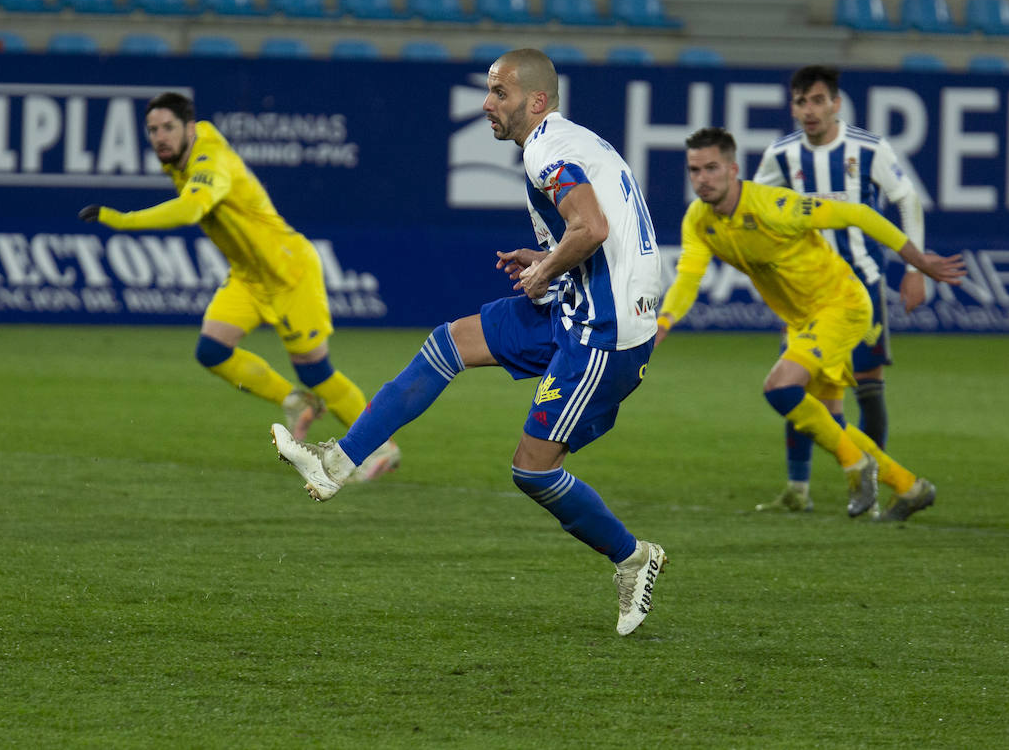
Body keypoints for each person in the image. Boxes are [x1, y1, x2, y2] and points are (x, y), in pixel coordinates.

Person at [270, 49, 668, 636]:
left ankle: (634, 557)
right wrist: (550, 262)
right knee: (448, 343)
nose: (486, 104)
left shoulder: (548, 151)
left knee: (533, 472)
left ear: (535, 101)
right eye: (487, 92)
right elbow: (598, 232)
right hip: (579, 306)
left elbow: (592, 228)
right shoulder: (572, 140)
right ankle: (339, 461)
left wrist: (546, 269)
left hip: (605, 336)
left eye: (500, 93)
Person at [79, 91, 399, 482]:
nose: (159, 136)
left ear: (189, 128)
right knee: (212, 350)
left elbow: (192, 208)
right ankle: (295, 401)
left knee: (317, 371)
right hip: (248, 277)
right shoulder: (178, 159)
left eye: (167, 128)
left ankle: (382, 447)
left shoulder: (210, 159)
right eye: (152, 130)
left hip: (288, 273)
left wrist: (121, 219)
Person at [657, 127, 966, 522]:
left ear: (733, 169)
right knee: (829, 421)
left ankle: (858, 467)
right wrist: (665, 320)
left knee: (781, 387)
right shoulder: (700, 220)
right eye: (694, 170)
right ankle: (909, 487)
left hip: (842, 305)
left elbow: (858, 213)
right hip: (805, 320)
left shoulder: (775, 206)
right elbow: (688, 275)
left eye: (712, 168)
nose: (702, 179)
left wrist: (918, 260)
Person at [753, 65, 927, 513]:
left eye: (816, 100)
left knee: (869, 384)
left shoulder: (868, 149)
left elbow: (907, 198)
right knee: (798, 385)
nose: (807, 111)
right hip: (806, 292)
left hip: (862, 287)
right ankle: (798, 489)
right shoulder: (782, 154)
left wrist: (915, 268)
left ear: (836, 103)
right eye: (799, 101)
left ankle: (874, 484)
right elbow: (757, 210)